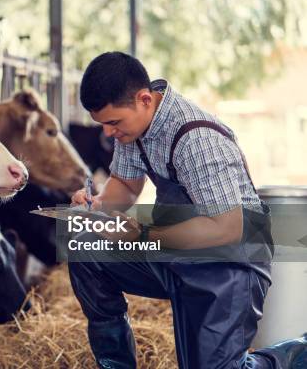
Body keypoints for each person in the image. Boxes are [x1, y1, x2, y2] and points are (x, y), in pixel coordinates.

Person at [69, 51, 307, 368]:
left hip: (231, 264)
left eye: (113, 123)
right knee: (87, 249)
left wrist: (145, 236)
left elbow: (227, 227)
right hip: (179, 250)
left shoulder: (196, 137)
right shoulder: (133, 128)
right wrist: (97, 204)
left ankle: (297, 354)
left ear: (144, 99)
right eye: (103, 124)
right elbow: (125, 185)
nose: (108, 133)